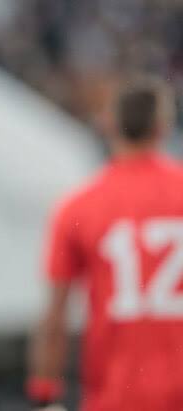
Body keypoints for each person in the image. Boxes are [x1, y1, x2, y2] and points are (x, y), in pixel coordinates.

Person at [26, 74, 183, 411]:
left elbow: (55, 316)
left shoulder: (78, 206)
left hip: (116, 396)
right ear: (162, 127)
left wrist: (44, 393)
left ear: (110, 125)